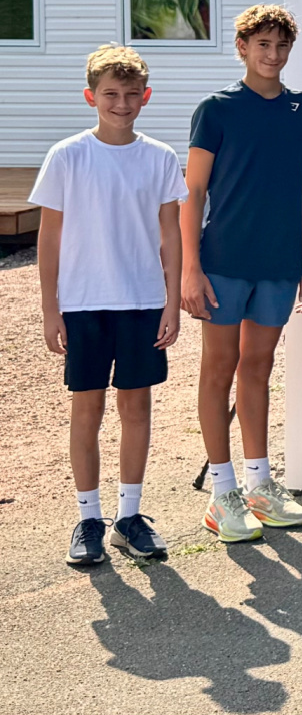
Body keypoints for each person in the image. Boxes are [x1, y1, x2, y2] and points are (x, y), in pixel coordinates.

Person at [33, 46, 187, 566]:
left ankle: (128, 517)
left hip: (142, 302)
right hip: (83, 304)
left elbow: (171, 234)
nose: (120, 104)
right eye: (109, 95)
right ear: (91, 97)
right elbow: (49, 238)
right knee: (87, 408)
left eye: (129, 95)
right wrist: (51, 308)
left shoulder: (160, 158)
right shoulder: (68, 155)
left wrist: (172, 303)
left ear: (145, 98)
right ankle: (89, 518)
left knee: (136, 407)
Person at [183, 5, 302, 542]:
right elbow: (193, 192)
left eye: (281, 46)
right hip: (224, 261)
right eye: (262, 45)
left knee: (259, 368)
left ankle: (259, 484)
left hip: (279, 262)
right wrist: (190, 270)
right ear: (242, 47)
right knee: (218, 368)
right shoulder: (216, 110)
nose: (272, 55)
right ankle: (223, 494)